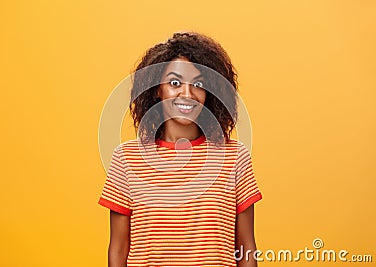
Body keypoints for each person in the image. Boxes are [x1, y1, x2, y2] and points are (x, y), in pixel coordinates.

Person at [98, 31, 263, 267]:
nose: (187, 94)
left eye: (198, 84)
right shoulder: (127, 158)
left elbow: (246, 247)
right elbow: (118, 249)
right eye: (175, 83)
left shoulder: (234, 157)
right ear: (157, 89)